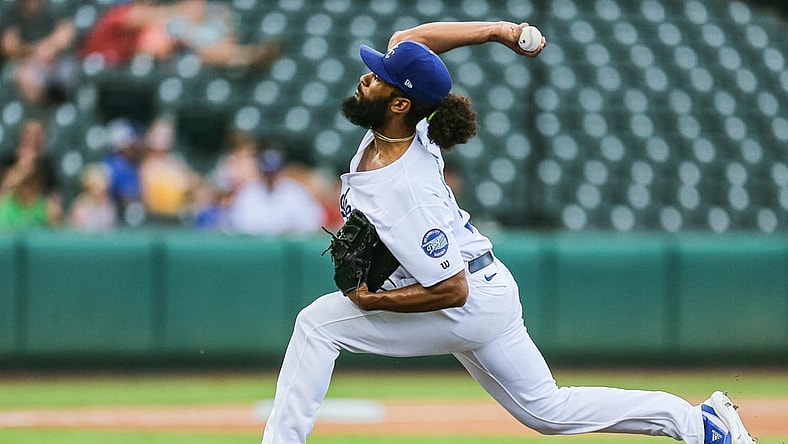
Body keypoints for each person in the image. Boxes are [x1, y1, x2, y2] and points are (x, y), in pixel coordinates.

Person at [259, 21, 756, 444]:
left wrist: (377, 302)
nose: (367, 77)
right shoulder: (406, 127)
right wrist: (500, 31)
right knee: (548, 412)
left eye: (379, 79)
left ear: (401, 104)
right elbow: (413, 39)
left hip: (465, 300)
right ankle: (699, 424)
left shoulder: (407, 189)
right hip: (487, 286)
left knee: (317, 325)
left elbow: (450, 288)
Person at [0, 0, 77, 106]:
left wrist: (48, 47)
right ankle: (38, 114)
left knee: (77, 70)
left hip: (56, 59)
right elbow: (9, 46)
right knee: (23, 75)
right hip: (27, 61)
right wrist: (37, 51)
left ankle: (68, 109)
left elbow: (66, 35)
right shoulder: (13, 12)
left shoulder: (54, 7)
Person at [68, 163, 117, 232]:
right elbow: (77, 229)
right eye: (95, 186)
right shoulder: (80, 205)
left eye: (101, 185)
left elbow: (110, 228)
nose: (99, 190)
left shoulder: (108, 204)